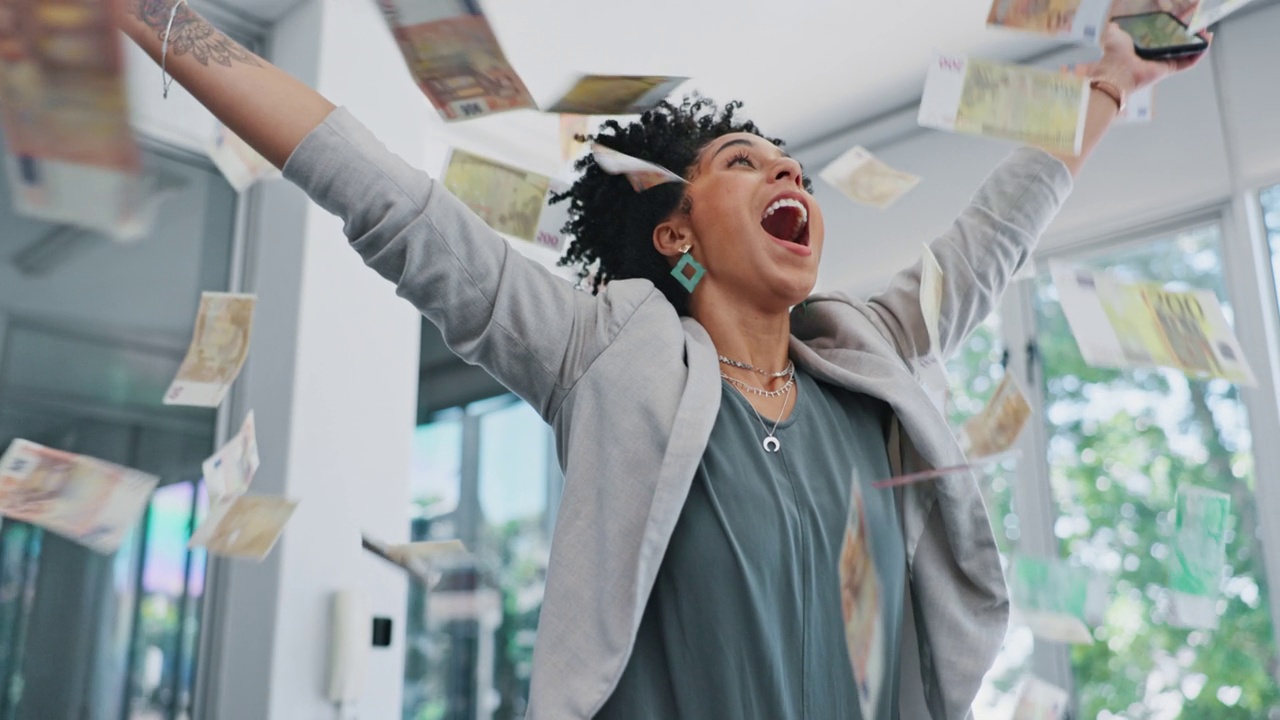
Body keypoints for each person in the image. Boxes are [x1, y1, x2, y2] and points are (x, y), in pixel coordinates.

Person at [114, 3, 1205, 717]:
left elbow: (993, 233)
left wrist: (1112, 77)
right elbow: (383, 196)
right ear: (674, 231)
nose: (792, 178)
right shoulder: (601, 354)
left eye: (796, 171)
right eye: (746, 163)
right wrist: (155, 19)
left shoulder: (865, 352)